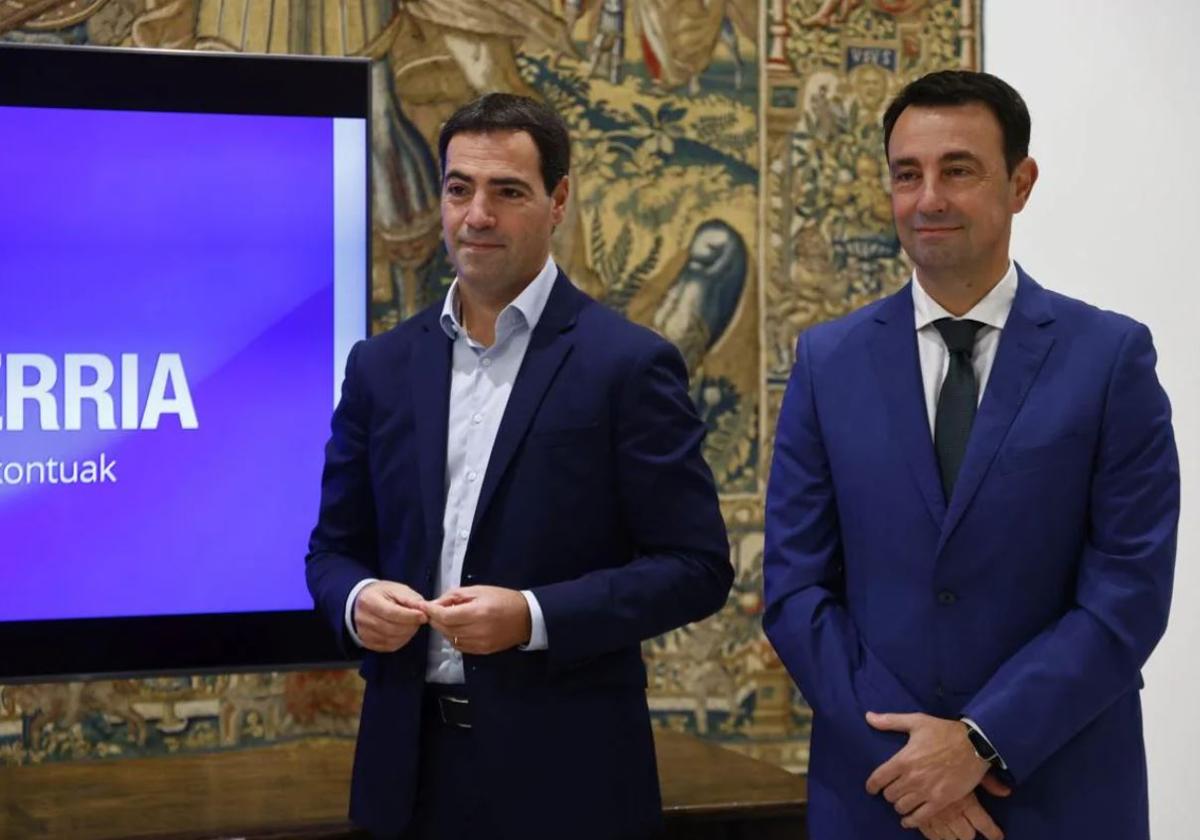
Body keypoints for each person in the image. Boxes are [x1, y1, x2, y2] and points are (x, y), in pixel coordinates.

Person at [764, 70, 1179, 839]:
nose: (930, 199)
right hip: (880, 795)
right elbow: (795, 592)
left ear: (1020, 183)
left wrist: (982, 742)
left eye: (959, 170)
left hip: (1060, 794)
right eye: (907, 174)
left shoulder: (1110, 358)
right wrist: (919, 762)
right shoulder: (827, 363)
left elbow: (1128, 591)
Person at [305, 92, 732, 840]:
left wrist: (533, 617)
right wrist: (356, 598)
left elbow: (696, 567)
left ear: (558, 199)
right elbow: (332, 551)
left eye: (507, 192)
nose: (477, 216)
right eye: (459, 188)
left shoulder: (627, 365)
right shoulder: (380, 365)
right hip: (405, 778)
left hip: (566, 782)